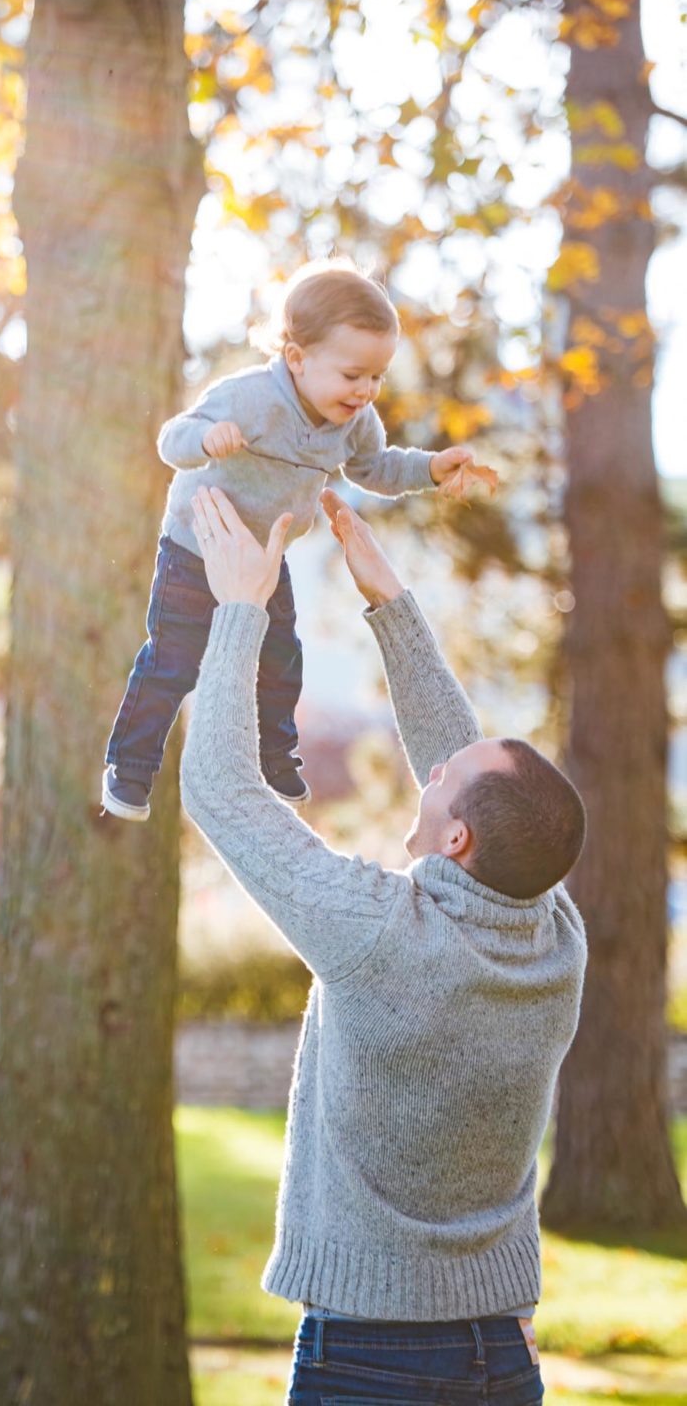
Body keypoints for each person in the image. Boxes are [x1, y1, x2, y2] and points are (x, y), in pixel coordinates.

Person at [181, 483, 588, 1406]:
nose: (433, 766)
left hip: (369, 1364)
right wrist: (389, 604)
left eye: (444, 781)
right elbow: (483, 790)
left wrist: (240, 608)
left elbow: (220, 790)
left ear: (455, 842)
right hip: (503, 1357)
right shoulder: (555, 939)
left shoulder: (381, 938)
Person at [101, 257, 482, 823]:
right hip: (196, 549)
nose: (366, 392)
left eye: (377, 377)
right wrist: (207, 439)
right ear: (297, 359)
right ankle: (129, 771)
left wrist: (430, 469)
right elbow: (170, 440)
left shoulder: (355, 421)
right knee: (172, 663)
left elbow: (374, 468)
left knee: (280, 661)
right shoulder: (250, 398)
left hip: (263, 557)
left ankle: (276, 757)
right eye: (353, 375)